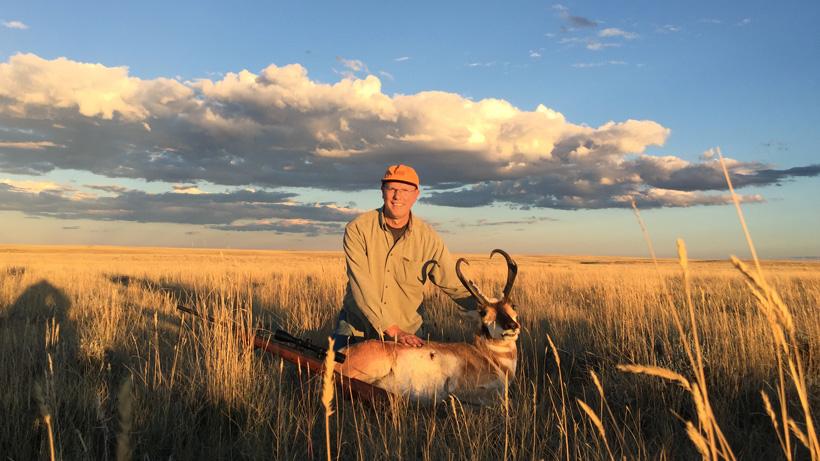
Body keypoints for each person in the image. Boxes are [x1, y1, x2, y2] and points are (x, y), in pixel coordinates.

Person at [333, 164, 477, 351]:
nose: (397, 196)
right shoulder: (358, 229)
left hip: (406, 336)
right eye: (392, 188)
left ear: (416, 194)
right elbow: (362, 286)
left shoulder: (428, 238)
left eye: (405, 190)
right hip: (358, 329)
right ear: (382, 190)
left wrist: (492, 308)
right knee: (333, 374)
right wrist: (393, 331)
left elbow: (454, 283)